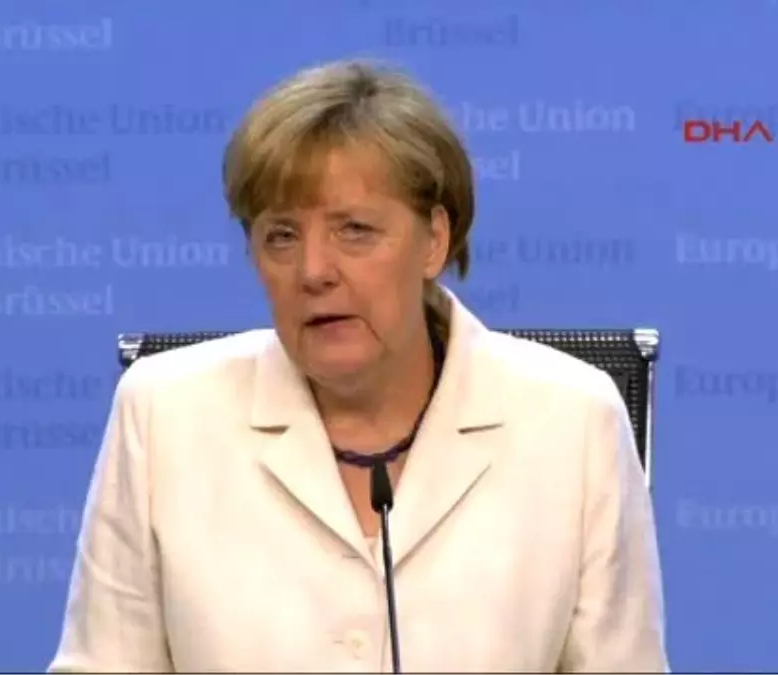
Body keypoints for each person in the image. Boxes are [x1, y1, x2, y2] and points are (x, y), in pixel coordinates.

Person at [48, 59, 668, 673]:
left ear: (434, 240)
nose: (314, 270)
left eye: (355, 230)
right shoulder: (165, 415)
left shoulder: (574, 422)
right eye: (282, 236)